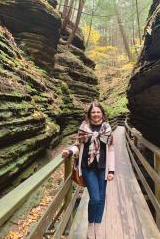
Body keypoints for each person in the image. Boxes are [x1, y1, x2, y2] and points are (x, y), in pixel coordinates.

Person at [62, 101, 115, 239]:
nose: (96, 114)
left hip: (103, 168)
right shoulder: (84, 128)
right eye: (93, 112)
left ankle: (97, 224)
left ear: (102, 113)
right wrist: (69, 151)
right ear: (89, 114)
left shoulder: (107, 129)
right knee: (95, 198)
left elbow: (111, 149)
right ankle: (91, 223)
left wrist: (111, 170)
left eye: (98, 112)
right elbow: (77, 146)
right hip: (88, 167)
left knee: (102, 198)